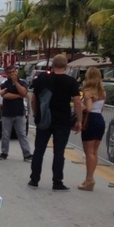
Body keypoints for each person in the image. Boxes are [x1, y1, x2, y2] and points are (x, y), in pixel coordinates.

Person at [29, 54, 82, 190]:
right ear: (66, 66)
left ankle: (34, 179)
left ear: (52, 65)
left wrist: (36, 114)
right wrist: (79, 120)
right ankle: (57, 181)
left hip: (44, 119)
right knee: (59, 152)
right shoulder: (70, 81)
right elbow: (77, 101)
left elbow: (34, 99)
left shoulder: (41, 78)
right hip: (62, 121)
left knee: (39, 150)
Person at [78, 66, 106, 191]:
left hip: (91, 120)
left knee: (88, 151)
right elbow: (101, 108)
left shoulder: (88, 91)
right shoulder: (102, 91)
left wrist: (81, 106)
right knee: (94, 151)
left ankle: (89, 180)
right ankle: (90, 177)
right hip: (99, 119)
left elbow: (88, 108)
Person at [0, 64, 32, 161]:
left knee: (22, 134)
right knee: (5, 134)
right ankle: (4, 153)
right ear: (7, 74)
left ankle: (27, 154)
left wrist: (16, 83)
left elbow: (24, 92)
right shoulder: (4, 83)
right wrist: (19, 96)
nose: (12, 74)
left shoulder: (23, 82)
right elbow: (5, 95)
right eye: (10, 73)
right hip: (7, 113)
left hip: (19, 113)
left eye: (13, 72)